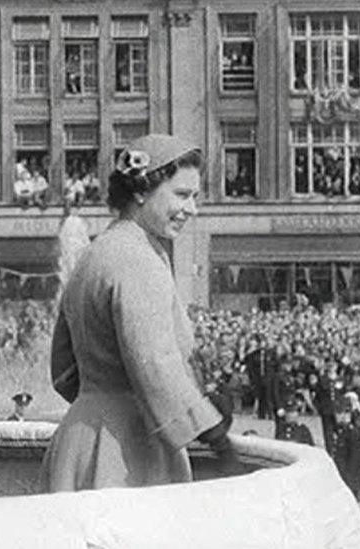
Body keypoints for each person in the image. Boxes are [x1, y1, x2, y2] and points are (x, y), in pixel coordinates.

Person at [43, 134, 239, 492]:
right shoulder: (138, 259)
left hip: (79, 436)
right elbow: (155, 363)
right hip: (129, 448)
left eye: (193, 196)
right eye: (182, 194)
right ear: (141, 191)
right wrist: (214, 433)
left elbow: (62, 370)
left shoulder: (93, 253)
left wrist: (98, 403)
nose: (192, 209)